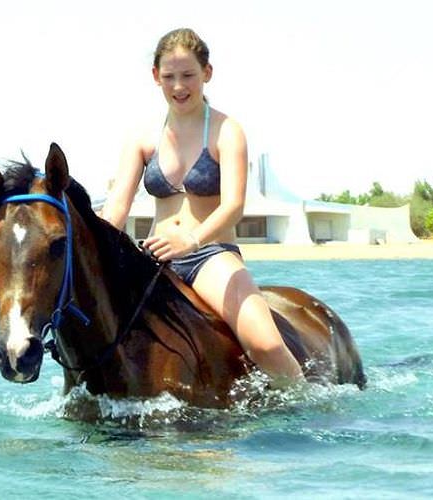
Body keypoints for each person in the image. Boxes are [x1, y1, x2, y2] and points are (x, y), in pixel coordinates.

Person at [100, 28, 303, 387]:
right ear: (155, 77)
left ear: (207, 73)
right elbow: (116, 211)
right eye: (169, 77)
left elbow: (234, 206)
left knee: (266, 344)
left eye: (189, 75)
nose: (179, 86)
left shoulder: (227, 130)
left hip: (210, 255)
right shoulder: (141, 136)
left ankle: (310, 405)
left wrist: (190, 241)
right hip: (154, 258)